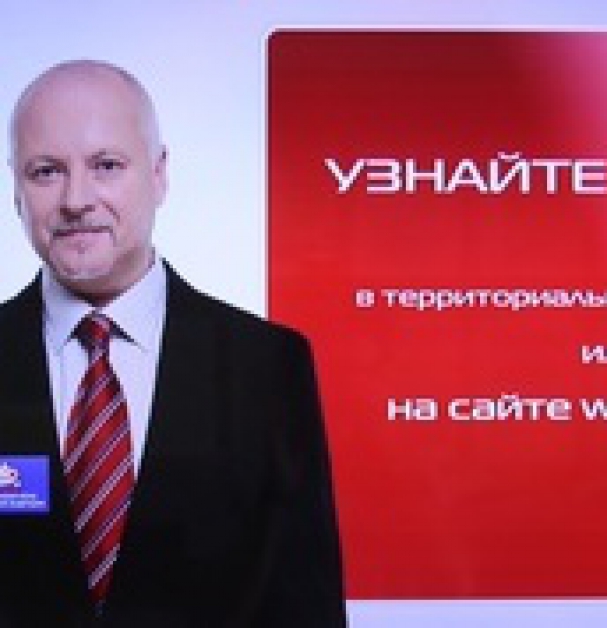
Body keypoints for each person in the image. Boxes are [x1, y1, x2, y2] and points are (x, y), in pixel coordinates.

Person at [0, 60, 347, 626]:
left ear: (159, 174)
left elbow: (304, 607)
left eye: (106, 165)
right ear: (16, 187)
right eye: (46, 171)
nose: (76, 199)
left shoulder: (266, 367)